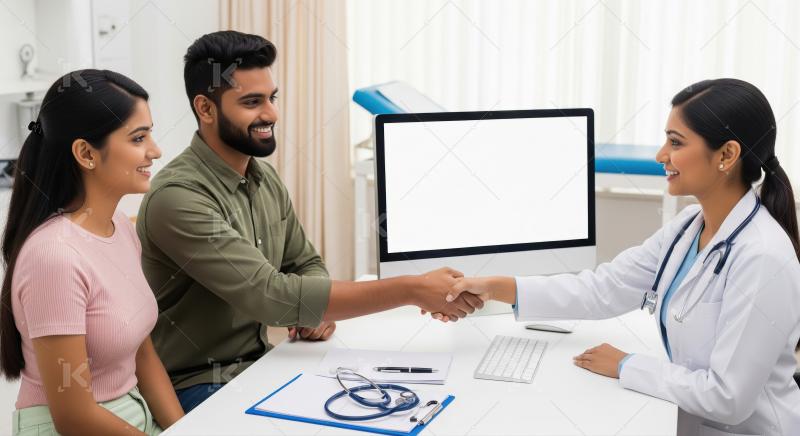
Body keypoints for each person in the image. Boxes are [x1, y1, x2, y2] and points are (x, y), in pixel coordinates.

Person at [136, 30, 483, 413]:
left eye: (272, 97)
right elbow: (271, 297)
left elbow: (304, 263)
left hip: (263, 363)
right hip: (198, 383)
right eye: (252, 102)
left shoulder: (262, 178)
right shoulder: (178, 197)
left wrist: (312, 315)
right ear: (206, 109)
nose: (270, 114)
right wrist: (411, 290)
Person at [445, 79, 800, 435]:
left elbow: (728, 399)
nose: (661, 155)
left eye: (676, 142)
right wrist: (496, 287)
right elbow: (604, 288)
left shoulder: (763, 258)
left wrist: (626, 365)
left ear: (726, 155)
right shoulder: (688, 228)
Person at [0, 70, 184, 435]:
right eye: (138, 137)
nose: (155, 150)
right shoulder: (53, 257)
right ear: (86, 153)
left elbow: (143, 355)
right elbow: (74, 417)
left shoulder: (120, 228)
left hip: (131, 416)